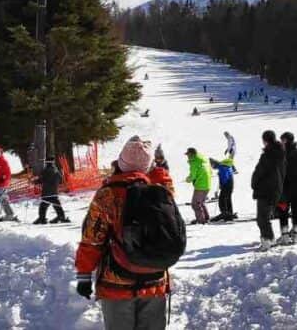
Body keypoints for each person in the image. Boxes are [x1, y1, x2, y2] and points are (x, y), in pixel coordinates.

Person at [74, 136, 178, 329]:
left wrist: (84, 275)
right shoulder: (161, 189)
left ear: (121, 163)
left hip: (117, 283)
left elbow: (92, 239)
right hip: (155, 279)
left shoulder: (108, 194)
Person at [251, 130, 286, 251]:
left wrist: (254, 183)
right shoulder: (281, 154)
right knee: (265, 216)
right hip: (276, 189)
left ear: (265, 141)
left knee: (262, 218)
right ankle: (269, 239)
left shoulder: (267, 155)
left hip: (266, 189)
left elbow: (259, 172)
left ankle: (268, 240)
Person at [34, 159, 69, 224]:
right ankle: (61, 217)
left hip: (46, 193)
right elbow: (61, 180)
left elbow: (41, 180)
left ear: (46, 164)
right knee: (57, 206)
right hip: (54, 193)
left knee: (43, 207)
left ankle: (42, 218)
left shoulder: (45, 171)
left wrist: (35, 181)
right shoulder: (56, 171)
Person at [184, 148, 211, 225]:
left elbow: (193, 176)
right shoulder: (203, 159)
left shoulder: (194, 163)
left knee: (195, 204)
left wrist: (188, 179)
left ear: (192, 154)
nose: (187, 156)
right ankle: (206, 217)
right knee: (201, 202)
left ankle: (201, 221)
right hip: (207, 184)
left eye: (188, 154)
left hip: (200, 185)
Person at [209, 156, 236, 222]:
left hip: (226, 186)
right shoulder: (225, 166)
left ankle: (225, 214)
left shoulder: (222, 167)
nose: (212, 167)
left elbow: (225, 177)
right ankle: (229, 213)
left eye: (212, 165)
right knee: (227, 199)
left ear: (214, 164)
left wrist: (222, 184)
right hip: (230, 186)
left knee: (222, 200)